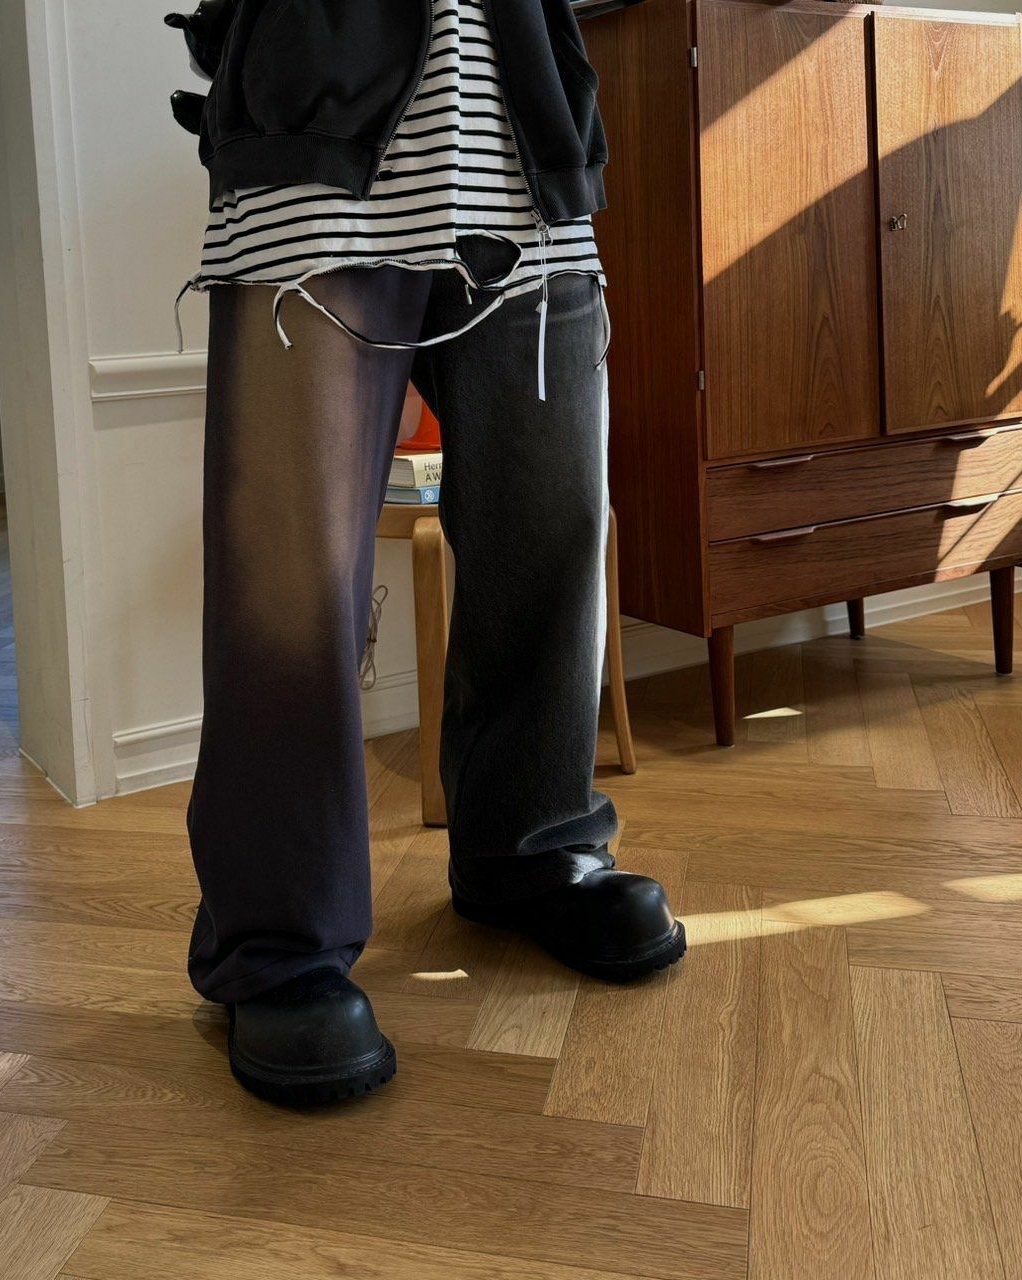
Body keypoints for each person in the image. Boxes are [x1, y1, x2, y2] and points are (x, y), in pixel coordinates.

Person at [166, 0, 684, 1107]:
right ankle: (276, 936)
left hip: (526, 153)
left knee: (551, 541)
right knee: (291, 583)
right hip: (312, 167)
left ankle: (528, 848)